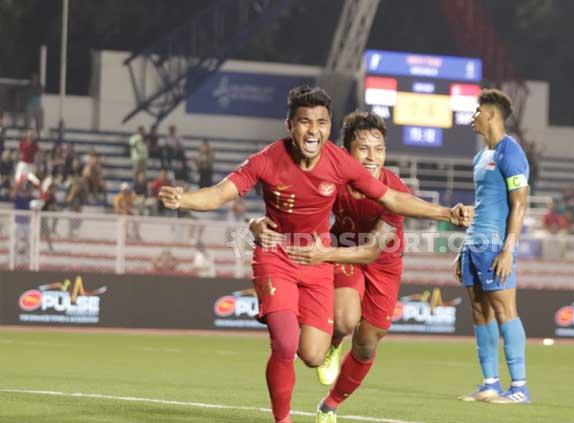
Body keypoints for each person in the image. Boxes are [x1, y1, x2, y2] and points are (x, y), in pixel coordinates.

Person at [158, 85, 471, 423]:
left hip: (352, 258)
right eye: (305, 122)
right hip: (295, 254)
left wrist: (446, 214)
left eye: (321, 122)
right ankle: (284, 418)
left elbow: (388, 215)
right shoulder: (273, 161)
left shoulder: (351, 170)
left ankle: (331, 396)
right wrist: (191, 201)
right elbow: (222, 194)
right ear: (290, 124)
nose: (313, 130)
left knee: (338, 348)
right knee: (294, 339)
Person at [250, 111, 410, 423]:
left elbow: (372, 252)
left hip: (381, 263)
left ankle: (330, 405)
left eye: (378, 149)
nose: (371, 156)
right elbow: (294, 214)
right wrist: (256, 223)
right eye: (362, 148)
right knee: (347, 319)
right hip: (339, 251)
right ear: (345, 152)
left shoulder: (395, 192)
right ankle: (333, 344)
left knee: (366, 344)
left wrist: (324, 254)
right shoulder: (332, 178)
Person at [454, 88, 531, 404]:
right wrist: (464, 247)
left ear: (491, 115)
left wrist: (508, 250)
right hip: (475, 244)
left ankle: (519, 388)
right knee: (479, 312)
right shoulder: (480, 156)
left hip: (495, 246)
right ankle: (489, 383)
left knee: (505, 311)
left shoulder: (510, 153)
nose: (472, 116)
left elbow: (520, 205)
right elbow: (484, 204)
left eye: (476, 111)